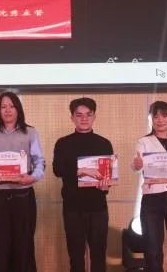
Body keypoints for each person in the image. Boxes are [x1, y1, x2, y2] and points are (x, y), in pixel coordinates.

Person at [0, 91, 45, 272]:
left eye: (12, 106)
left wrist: (33, 177)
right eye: (3, 107)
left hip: (23, 194)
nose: (7, 110)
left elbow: (39, 162)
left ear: (18, 109)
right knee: (1, 244)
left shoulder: (30, 132)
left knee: (23, 244)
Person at [53, 97, 113, 272]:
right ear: (72, 118)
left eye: (88, 114)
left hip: (98, 207)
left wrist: (106, 186)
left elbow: (107, 176)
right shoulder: (63, 143)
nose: (84, 118)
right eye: (79, 115)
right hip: (73, 207)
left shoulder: (104, 143)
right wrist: (82, 170)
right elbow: (57, 169)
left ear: (94, 116)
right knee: (76, 257)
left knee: (99, 257)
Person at [131, 101, 167, 272]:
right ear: (151, 119)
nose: (160, 120)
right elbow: (136, 166)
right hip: (152, 199)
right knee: (152, 249)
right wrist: (137, 165)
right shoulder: (143, 142)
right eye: (155, 116)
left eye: (164, 115)